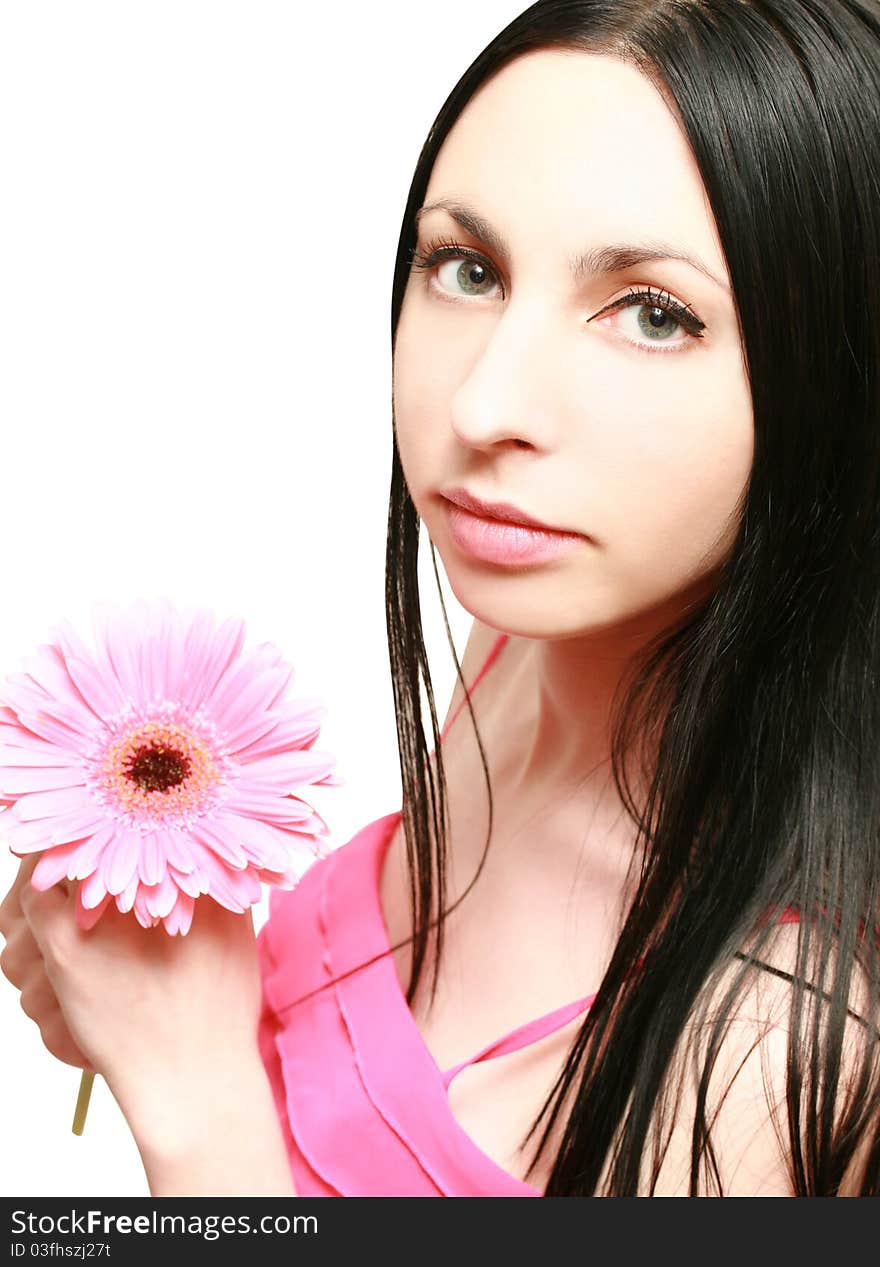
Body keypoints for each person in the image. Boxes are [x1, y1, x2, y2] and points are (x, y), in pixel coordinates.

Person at [2, 0, 880, 1197]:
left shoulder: (786, 1048)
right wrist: (136, 1010)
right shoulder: (522, 636)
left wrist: (196, 1101)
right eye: (467, 269)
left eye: (653, 313)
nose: (481, 408)